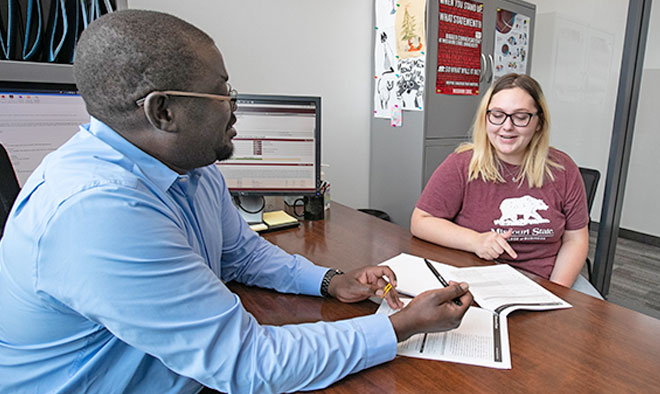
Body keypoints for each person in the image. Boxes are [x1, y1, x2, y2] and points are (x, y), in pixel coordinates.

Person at [0, 10, 473, 394]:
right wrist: (398, 327)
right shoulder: (95, 212)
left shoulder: (190, 163)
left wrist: (330, 281)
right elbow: (248, 363)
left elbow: (239, 252)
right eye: (222, 91)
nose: (234, 105)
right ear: (162, 111)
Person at [411, 73, 601, 298]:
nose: (507, 127)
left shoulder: (564, 169)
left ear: (538, 123)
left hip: (547, 278)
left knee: (603, 328)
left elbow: (575, 238)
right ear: (485, 118)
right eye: (497, 115)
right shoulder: (462, 164)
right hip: (479, 277)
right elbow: (420, 222)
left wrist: (554, 292)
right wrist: (476, 241)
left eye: (521, 117)